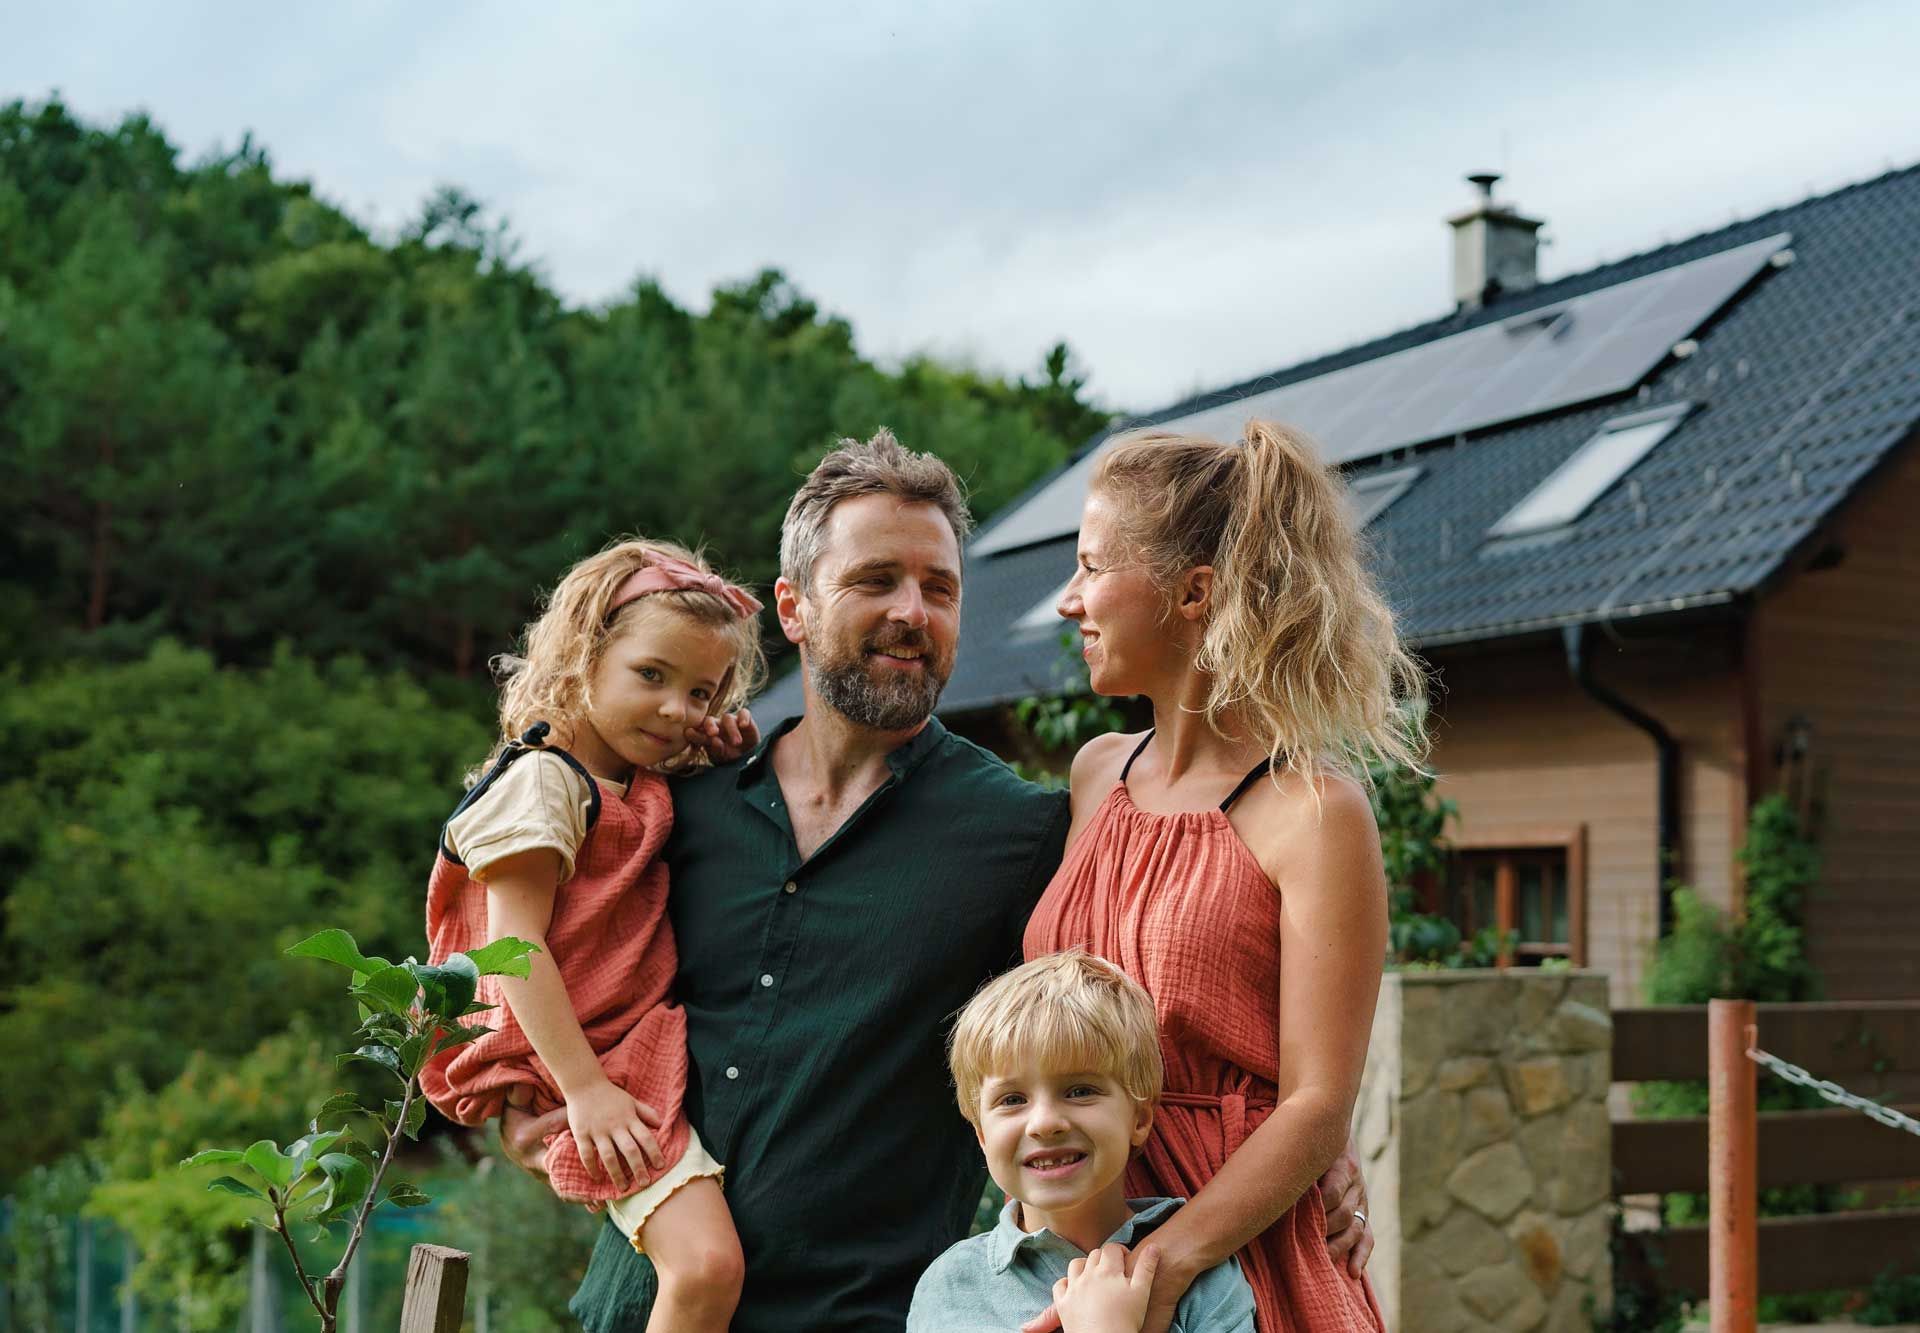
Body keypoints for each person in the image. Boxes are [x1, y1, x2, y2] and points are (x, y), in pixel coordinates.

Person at [501, 430, 1375, 1332]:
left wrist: (1318, 1138)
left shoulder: (1020, 830)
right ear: (792, 608)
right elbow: (547, 958)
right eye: (876, 580)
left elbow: (1134, 994)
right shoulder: (680, 804)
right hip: (645, 1302)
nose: (913, 612)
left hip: (898, 1311)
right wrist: (532, 1098)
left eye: (942, 588)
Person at [1024, 421, 1421, 1331]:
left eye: (1091, 567)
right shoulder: (1096, 775)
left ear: (1194, 592)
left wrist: (1156, 1269)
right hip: (1082, 1242)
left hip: (1234, 1260)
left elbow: (1317, 1101)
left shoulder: (1315, 812)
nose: (1067, 601)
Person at [421, 538, 766, 1333]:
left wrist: (719, 766)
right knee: (707, 1266)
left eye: (702, 691)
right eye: (653, 675)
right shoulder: (544, 781)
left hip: (613, 1048)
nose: (679, 708)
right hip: (579, 1063)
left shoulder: (631, 781)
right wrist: (583, 1090)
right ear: (584, 654)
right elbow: (515, 949)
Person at [908, 950, 1255, 1333]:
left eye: (1079, 1091)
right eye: (1012, 1100)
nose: (1044, 1123)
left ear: (1139, 1117)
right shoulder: (952, 1287)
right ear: (983, 1135)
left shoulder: (1202, 1277)